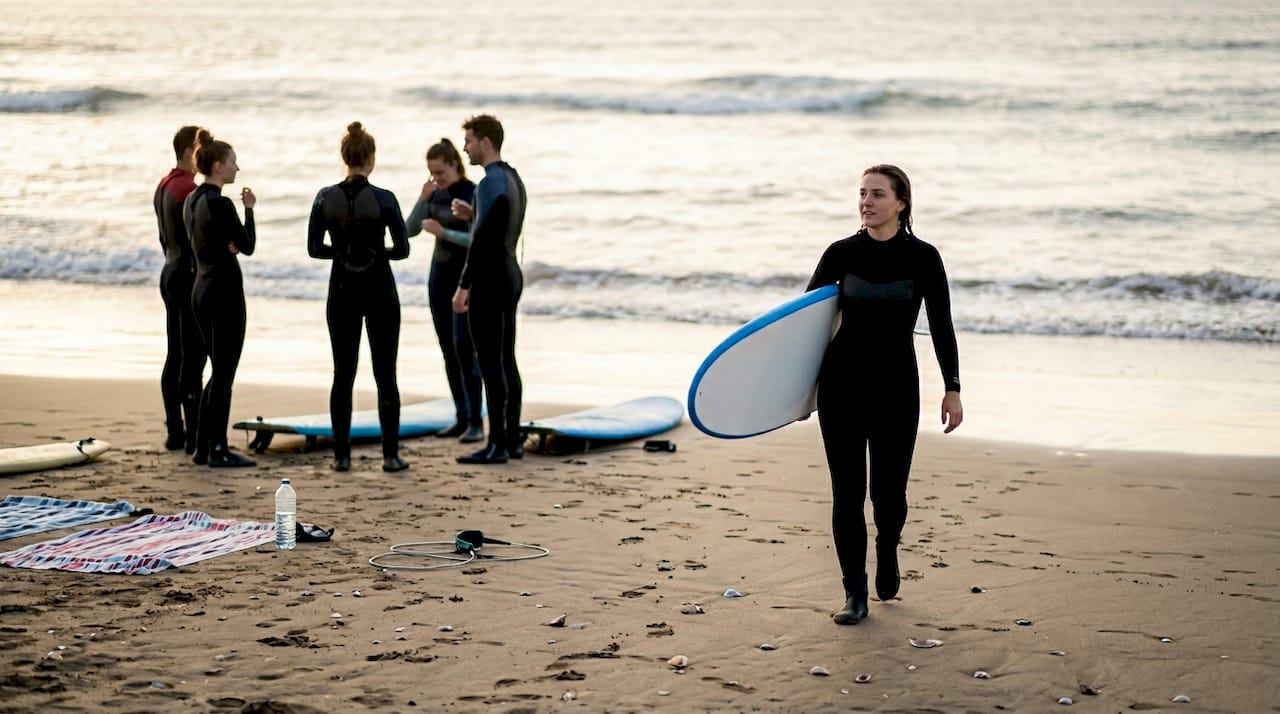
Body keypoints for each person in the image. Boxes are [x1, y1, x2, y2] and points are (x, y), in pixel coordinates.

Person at [805, 164, 964, 625]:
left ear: (901, 203)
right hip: (842, 386)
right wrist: (793, 395)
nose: (866, 202)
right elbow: (800, 324)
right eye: (862, 194)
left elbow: (941, 326)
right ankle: (854, 593)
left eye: (877, 194)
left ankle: (888, 548)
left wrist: (952, 388)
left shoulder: (924, 258)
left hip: (897, 388)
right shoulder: (840, 253)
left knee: (889, 496)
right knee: (847, 493)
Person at [307, 122, 411, 473]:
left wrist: (342, 252)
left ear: (345, 156)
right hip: (380, 289)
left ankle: (341, 456)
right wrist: (375, 252)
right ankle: (391, 456)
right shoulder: (385, 198)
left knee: (343, 374)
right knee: (386, 375)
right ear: (371, 158)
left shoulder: (324, 197)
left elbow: (313, 249)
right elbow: (403, 249)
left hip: (341, 291)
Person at [451, 114, 527, 465]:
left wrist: (463, 285)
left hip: (490, 280)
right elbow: (500, 224)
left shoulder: (487, 183)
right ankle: (511, 440)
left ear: (485, 142)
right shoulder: (512, 178)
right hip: (511, 275)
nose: (465, 147)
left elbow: (482, 242)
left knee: (490, 364)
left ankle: (495, 444)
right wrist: (474, 214)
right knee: (506, 359)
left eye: (468, 140)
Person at [183, 129, 257, 468]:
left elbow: (206, 241)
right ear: (217, 166)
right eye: (232, 163)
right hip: (224, 291)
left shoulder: (192, 201)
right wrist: (249, 211)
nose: (236, 169)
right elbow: (248, 245)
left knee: (216, 370)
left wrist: (232, 243)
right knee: (224, 373)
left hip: (200, 287)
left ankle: (201, 446)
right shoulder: (222, 203)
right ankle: (219, 449)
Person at [404, 138, 484, 444]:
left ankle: (476, 421)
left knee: (466, 349)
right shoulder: (434, 193)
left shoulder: (472, 192)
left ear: (454, 164)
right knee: (448, 351)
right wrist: (423, 198)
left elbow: (475, 241)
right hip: (439, 279)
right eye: (431, 173)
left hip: (465, 281)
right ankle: (461, 417)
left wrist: (444, 232)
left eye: (440, 172)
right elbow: (408, 229)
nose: (437, 178)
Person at [154, 125, 207, 453]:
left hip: (168, 270)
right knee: (193, 357)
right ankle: (192, 434)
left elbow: (165, 236)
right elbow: (200, 239)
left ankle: (176, 429)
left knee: (175, 353)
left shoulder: (165, 184)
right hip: (187, 274)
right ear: (191, 151)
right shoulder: (188, 188)